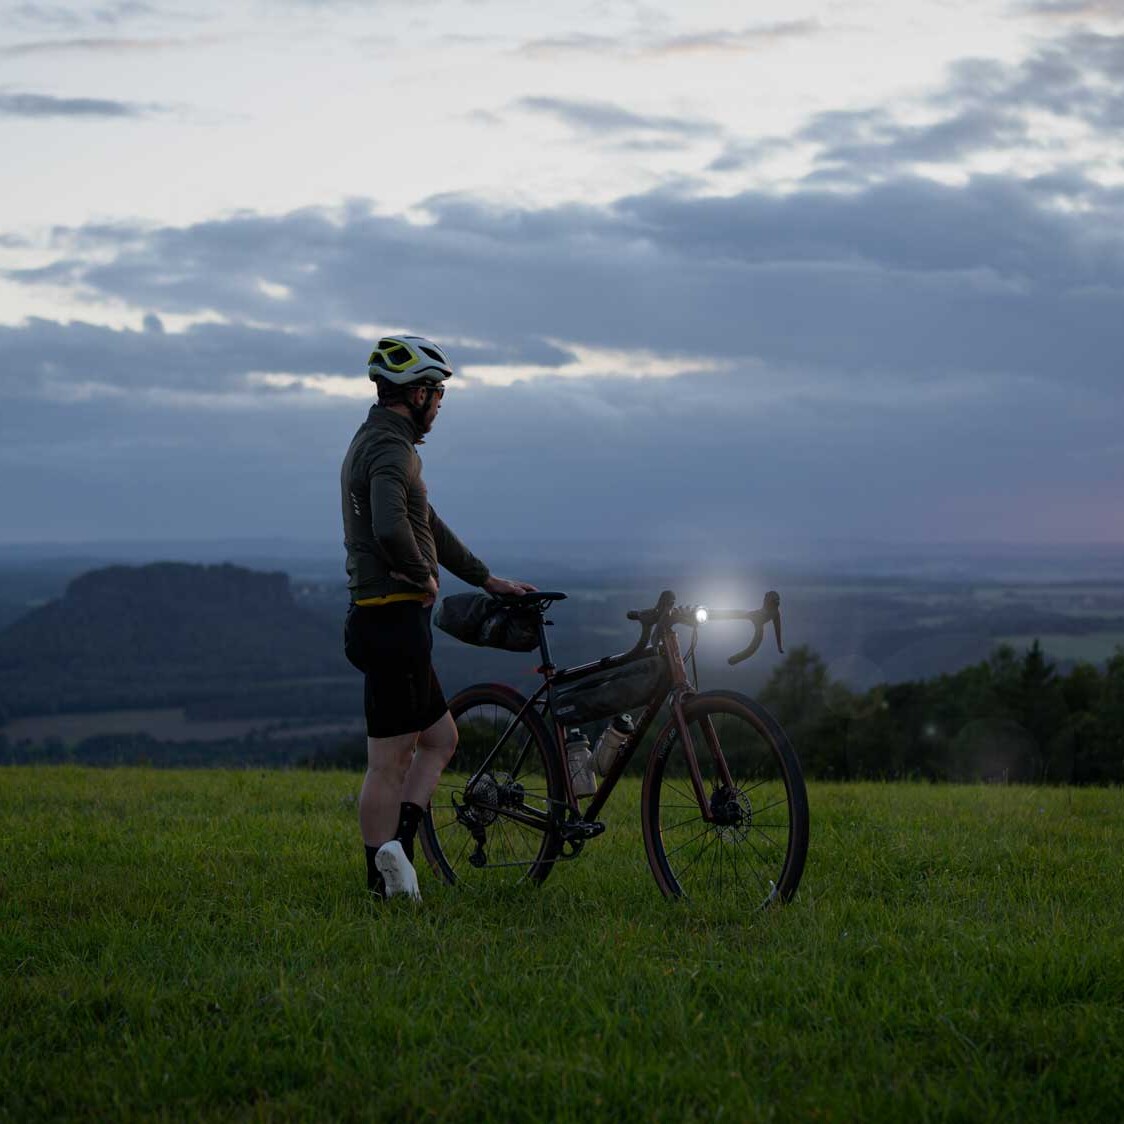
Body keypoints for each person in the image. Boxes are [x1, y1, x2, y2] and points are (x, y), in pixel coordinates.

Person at [340, 334, 536, 901]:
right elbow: (389, 525)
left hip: (392, 623)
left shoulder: (384, 440)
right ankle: (380, 884)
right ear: (417, 392)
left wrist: (483, 578)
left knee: (440, 737)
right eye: (438, 392)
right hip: (391, 622)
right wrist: (421, 573)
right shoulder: (389, 449)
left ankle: (396, 854)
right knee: (388, 761)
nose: (441, 402)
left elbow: (426, 519)